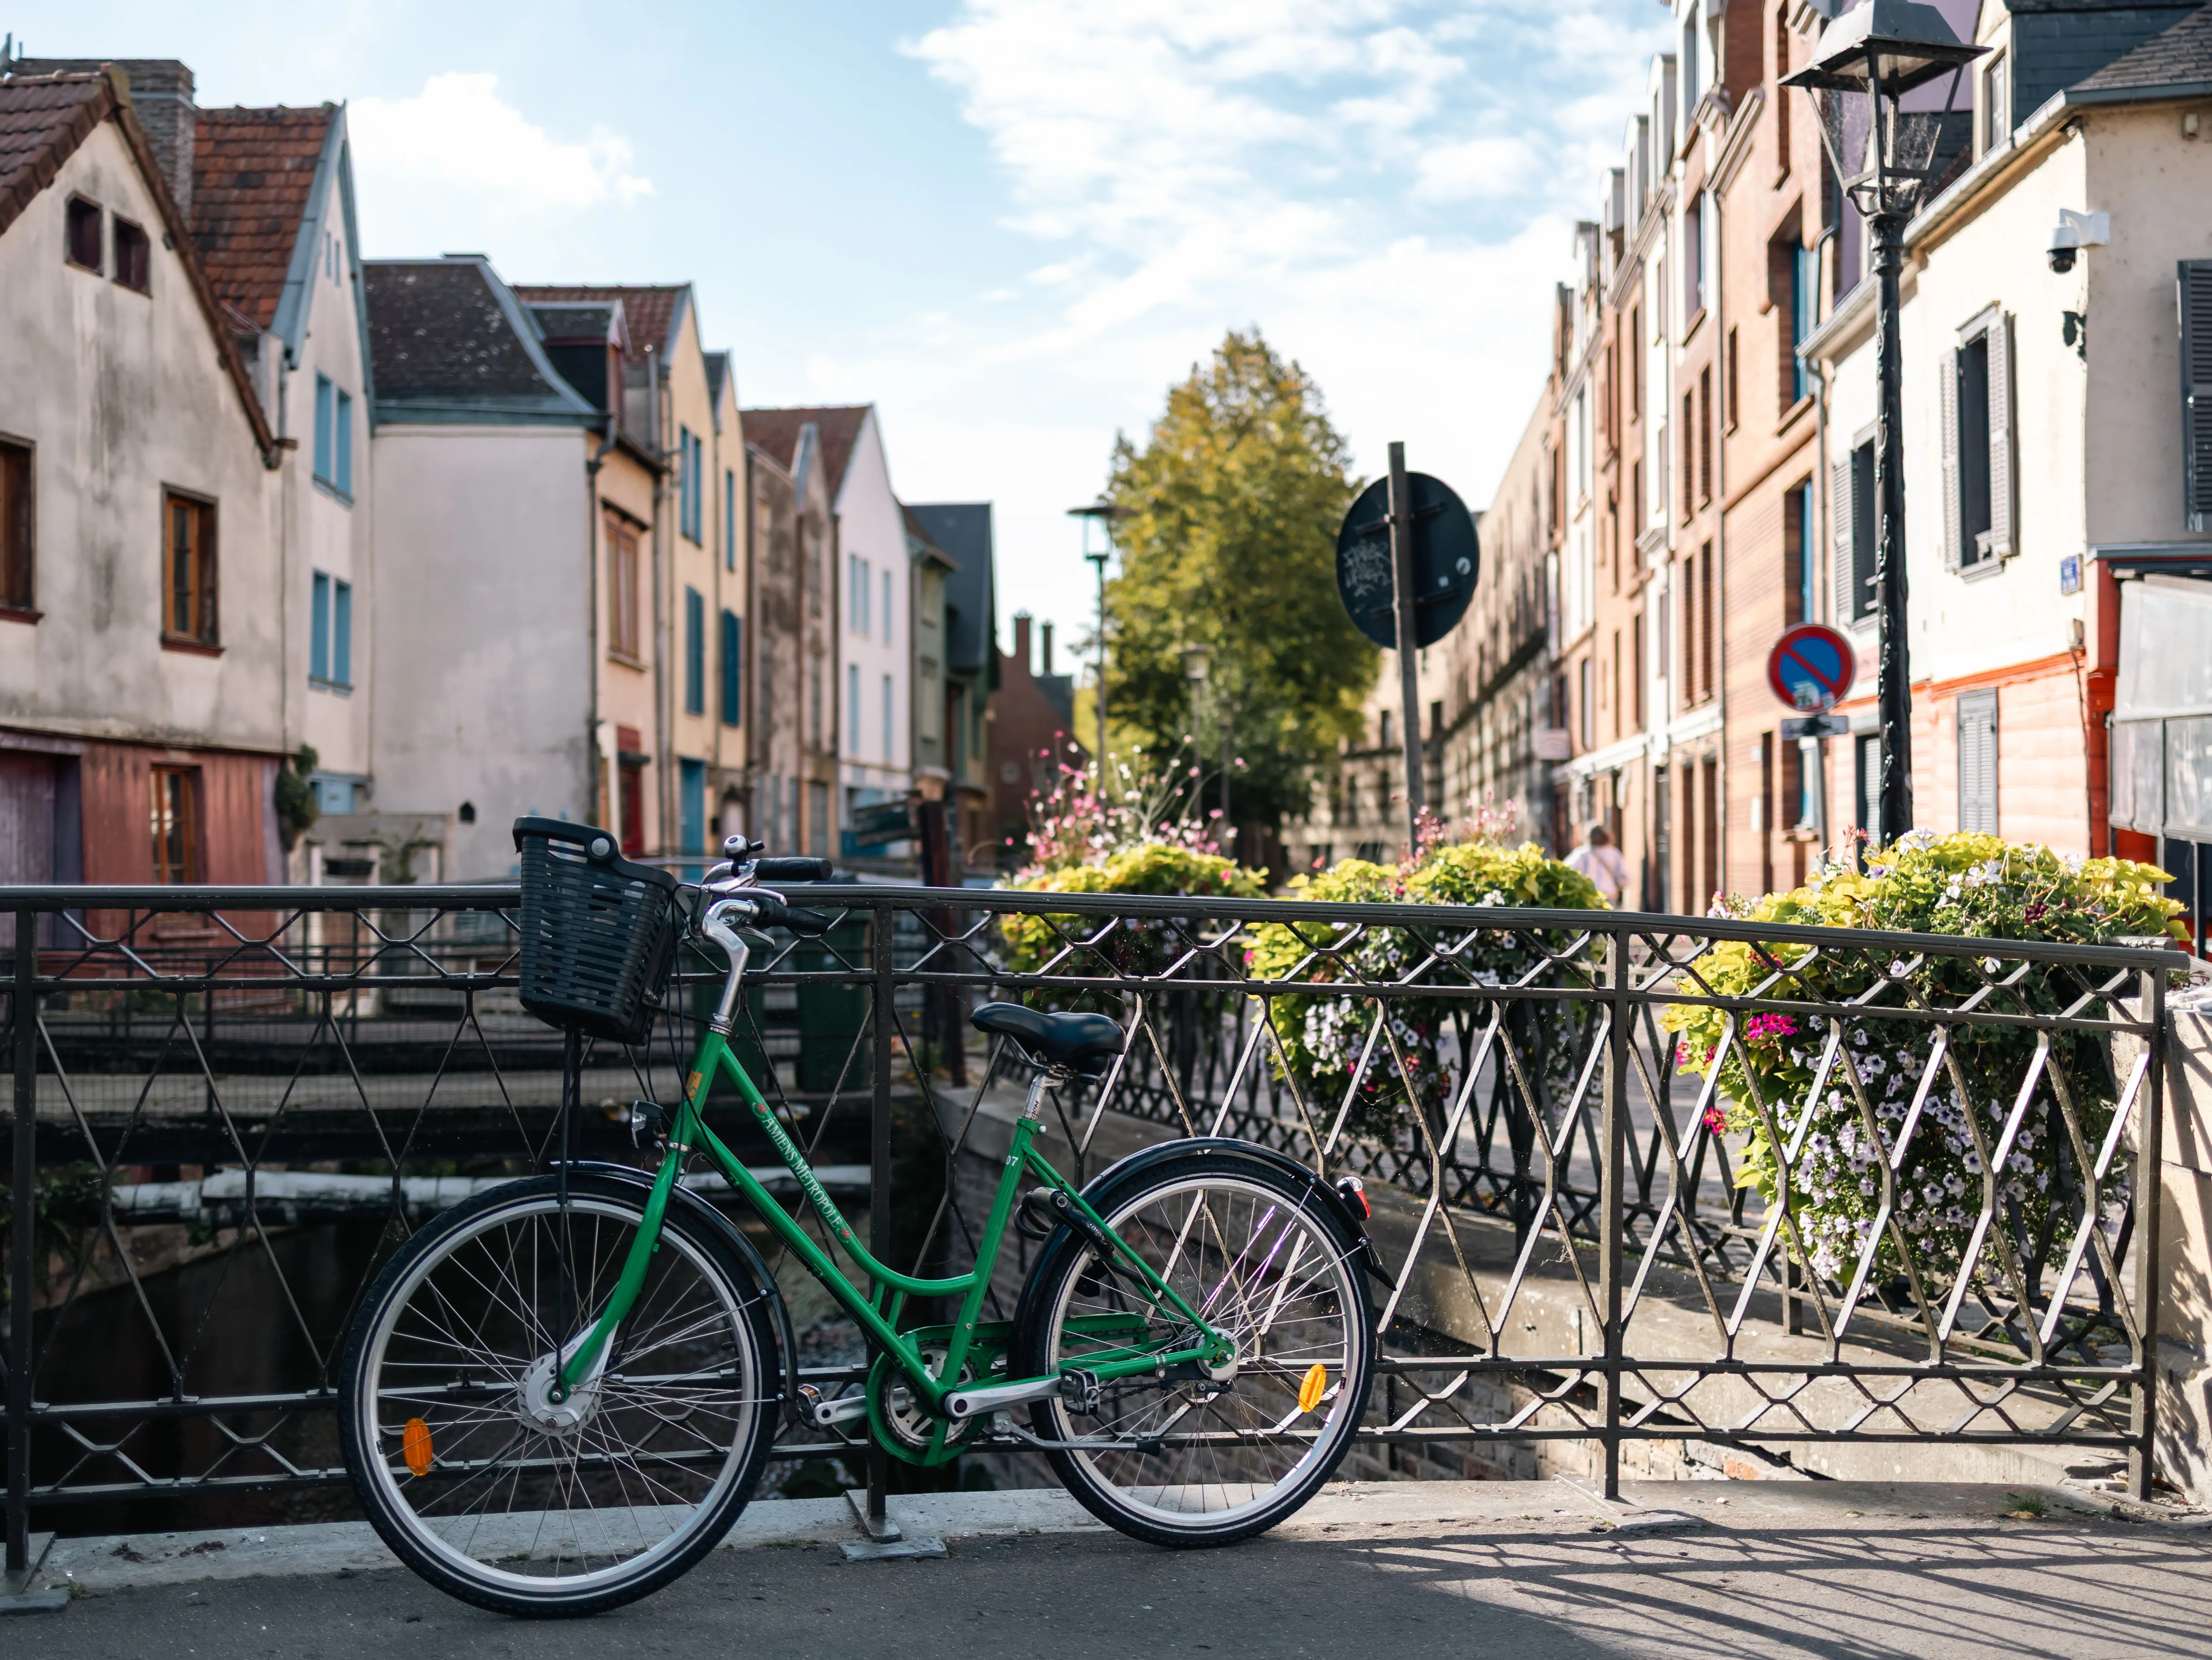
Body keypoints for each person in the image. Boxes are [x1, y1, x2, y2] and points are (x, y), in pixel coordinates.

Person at [1566, 820, 1628, 906]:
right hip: (1609, 897)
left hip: (1588, 897)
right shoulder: (1614, 853)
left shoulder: (1582, 853)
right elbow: (1624, 878)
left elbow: (1568, 871)